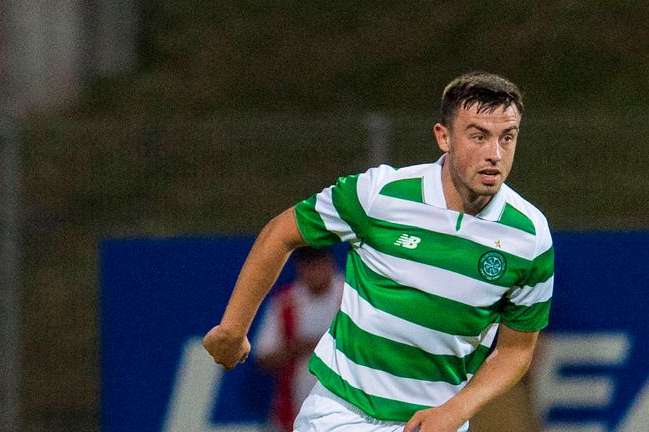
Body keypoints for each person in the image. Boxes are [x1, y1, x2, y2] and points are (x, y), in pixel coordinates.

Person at [203, 71, 554, 432]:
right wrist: (233, 328)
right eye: (478, 136)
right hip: (339, 415)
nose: (494, 154)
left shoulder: (530, 237)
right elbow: (281, 233)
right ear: (444, 137)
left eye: (506, 138)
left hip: (431, 425)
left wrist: (455, 411)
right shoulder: (379, 194)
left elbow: (515, 350)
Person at [253, 247, 343, 432]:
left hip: (347, 411)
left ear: (330, 262)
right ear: (299, 267)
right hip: (294, 413)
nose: (316, 270)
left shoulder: (351, 295)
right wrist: (297, 348)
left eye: (320, 262)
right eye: (309, 264)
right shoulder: (285, 302)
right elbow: (263, 357)